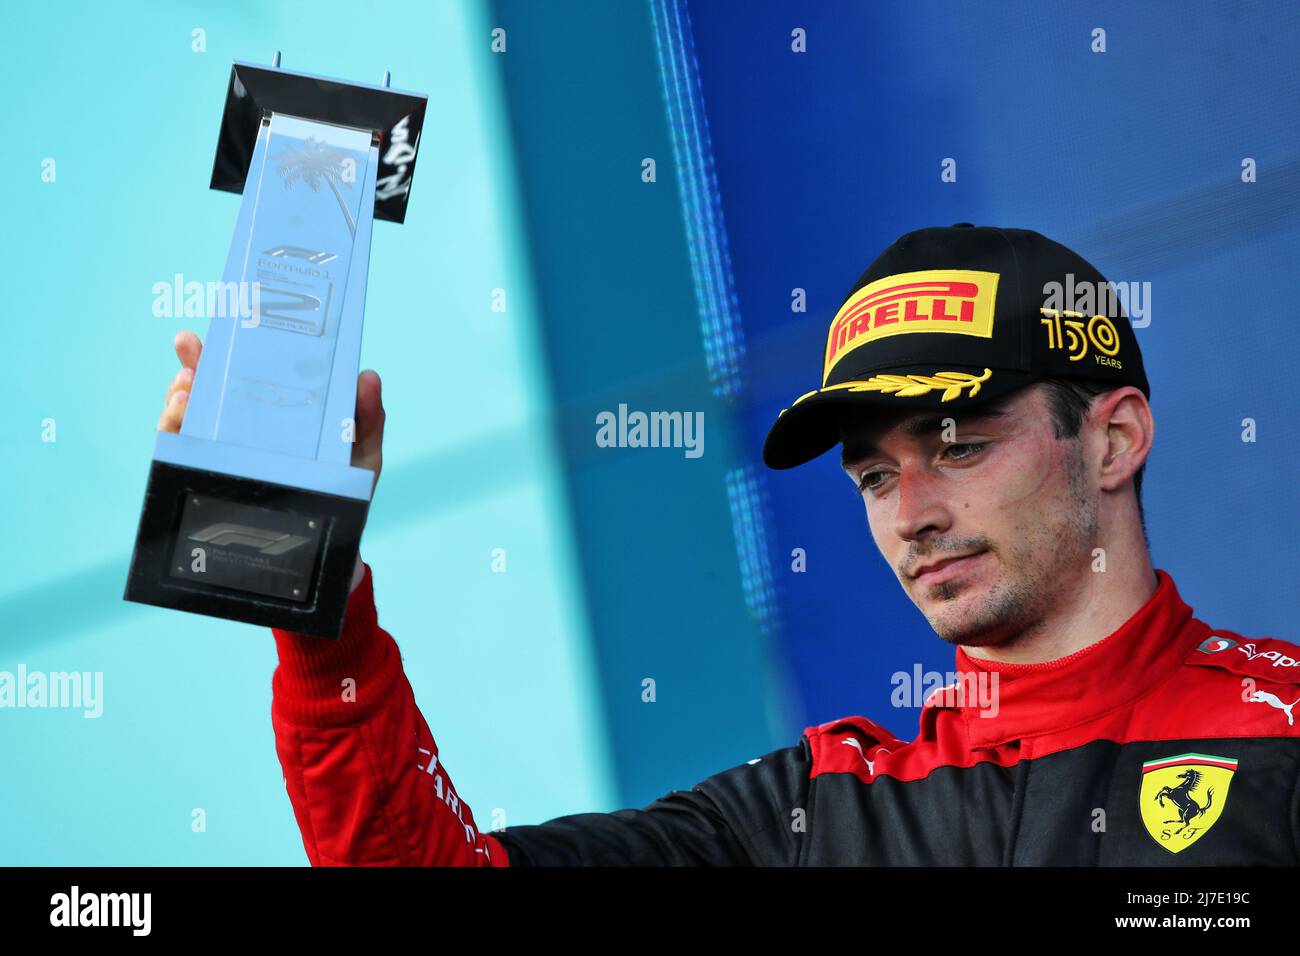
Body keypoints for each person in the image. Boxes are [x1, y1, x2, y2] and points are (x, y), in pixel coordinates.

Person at [157, 224, 1300, 865]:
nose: (909, 513)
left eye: (955, 445)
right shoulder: (813, 817)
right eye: (870, 474)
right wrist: (312, 597)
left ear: (1111, 440)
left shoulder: (1282, 732)